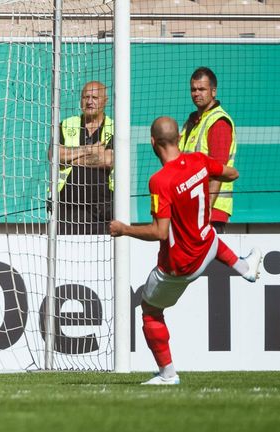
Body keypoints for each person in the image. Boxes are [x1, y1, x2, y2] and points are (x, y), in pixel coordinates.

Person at [109, 116, 262, 385]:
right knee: (208, 233)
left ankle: (168, 374)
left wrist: (124, 229)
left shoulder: (160, 181)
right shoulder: (199, 160)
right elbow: (232, 173)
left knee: (150, 312)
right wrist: (205, 178)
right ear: (179, 138)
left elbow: (159, 232)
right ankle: (244, 268)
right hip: (207, 248)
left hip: (179, 267)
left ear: (153, 142)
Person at [179, 67, 236, 233]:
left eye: (202, 89)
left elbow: (218, 170)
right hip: (191, 209)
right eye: (193, 89)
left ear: (213, 91)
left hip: (210, 213)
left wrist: (206, 212)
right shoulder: (191, 122)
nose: (197, 93)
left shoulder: (218, 122)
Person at [53, 81, 114, 235]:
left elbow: (108, 160)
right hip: (67, 208)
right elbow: (55, 155)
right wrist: (89, 150)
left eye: (94, 97)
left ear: (105, 101)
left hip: (103, 209)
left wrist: (71, 158)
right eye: (86, 97)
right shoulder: (67, 125)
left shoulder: (115, 127)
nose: (89, 101)